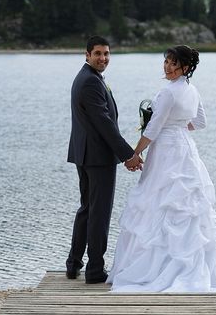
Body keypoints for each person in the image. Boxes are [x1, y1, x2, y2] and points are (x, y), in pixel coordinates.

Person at [108, 45, 216, 293]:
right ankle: (185, 264)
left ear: (186, 67)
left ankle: (154, 268)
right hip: (185, 149)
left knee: (158, 202)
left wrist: (135, 152)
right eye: (166, 62)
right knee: (184, 206)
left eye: (174, 63)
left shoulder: (167, 93)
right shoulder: (192, 90)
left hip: (165, 152)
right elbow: (201, 122)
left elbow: (153, 129)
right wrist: (180, 127)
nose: (168, 67)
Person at [65, 35, 142, 284]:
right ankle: (95, 270)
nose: (103, 58)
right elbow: (105, 124)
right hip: (97, 157)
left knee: (87, 210)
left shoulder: (89, 78)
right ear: (87, 54)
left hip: (86, 154)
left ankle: (74, 263)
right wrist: (129, 154)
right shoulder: (89, 82)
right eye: (98, 53)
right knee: (99, 213)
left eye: (107, 54)